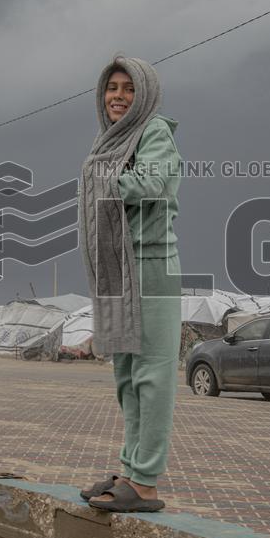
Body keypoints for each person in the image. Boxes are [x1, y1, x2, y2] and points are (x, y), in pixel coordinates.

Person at [77, 55, 182, 513]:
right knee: (127, 377)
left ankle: (146, 483)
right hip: (117, 266)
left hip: (151, 263)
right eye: (111, 87)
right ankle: (131, 469)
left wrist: (104, 175)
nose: (118, 96)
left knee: (152, 374)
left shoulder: (153, 130)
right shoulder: (110, 140)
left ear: (146, 94)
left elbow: (155, 182)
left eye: (128, 88)